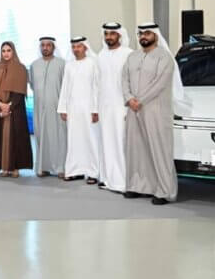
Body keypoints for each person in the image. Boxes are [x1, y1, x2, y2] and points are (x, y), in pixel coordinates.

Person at [122, 23, 180, 205]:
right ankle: (138, 186)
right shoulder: (132, 56)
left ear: (155, 35)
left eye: (147, 33)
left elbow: (161, 83)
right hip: (133, 109)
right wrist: (129, 98)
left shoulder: (165, 57)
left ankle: (164, 191)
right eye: (140, 33)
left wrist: (140, 100)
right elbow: (124, 79)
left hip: (155, 110)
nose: (143, 37)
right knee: (135, 149)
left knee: (159, 150)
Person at [0, 41, 33, 178]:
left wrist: (9, 106)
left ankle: (15, 167)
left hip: (15, 109)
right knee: (0, 138)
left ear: (13, 51)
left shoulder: (20, 68)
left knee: (15, 137)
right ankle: (4, 167)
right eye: (3, 51)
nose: (6, 53)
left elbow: (20, 91)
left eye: (8, 50)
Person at [57, 36, 101, 184]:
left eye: (79, 46)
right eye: (74, 47)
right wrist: (63, 108)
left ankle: (93, 172)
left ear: (85, 47)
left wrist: (95, 109)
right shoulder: (69, 65)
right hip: (73, 109)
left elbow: (96, 87)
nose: (76, 49)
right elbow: (65, 87)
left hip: (89, 109)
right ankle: (74, 171)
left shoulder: (93, 63)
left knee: (91, 140)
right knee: (74, 140)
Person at [97, 22, 134, 192]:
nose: (109, 37)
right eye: (106, 34)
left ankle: (124, 182)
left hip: (122, 106)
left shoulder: (128, 54)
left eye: (112, 34)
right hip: (104, 107)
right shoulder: (101, 55)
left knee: (121, 142)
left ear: (120, 35)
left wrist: (129, 106)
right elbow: (97, 84)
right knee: (106, 142)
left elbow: (133, 82)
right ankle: (107, 179)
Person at [28, 36, 67, 178]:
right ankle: (43, 167)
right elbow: (33, 85)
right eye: (43, 45)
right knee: (41, 136)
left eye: (48, 45)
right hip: (39, 108)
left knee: (59, 137)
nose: (45, 48)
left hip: (57, 108)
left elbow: (66, 87)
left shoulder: (62, 64)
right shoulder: (34, 65)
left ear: (53, 47)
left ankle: (61, 168)